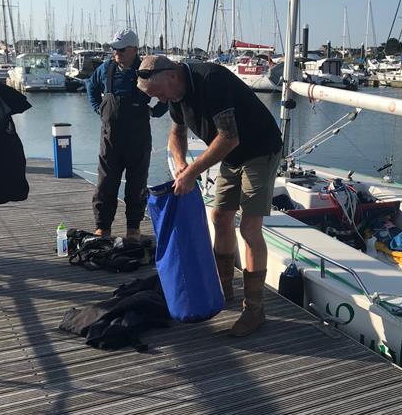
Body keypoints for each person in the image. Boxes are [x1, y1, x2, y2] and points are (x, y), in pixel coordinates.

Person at [136, 55, 282, 337]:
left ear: (172, 76)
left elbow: (229, 137)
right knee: (219, 217)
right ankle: (223, 288)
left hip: (260, 150)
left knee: (250, 229)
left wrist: (192, 172)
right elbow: (176, 135)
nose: (163, 101)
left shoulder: (211, 80)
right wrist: (181, 164)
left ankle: (254, 308)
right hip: (233, 157)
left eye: (160, 93)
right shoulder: (175, 95)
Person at [86, 29, 167, 240]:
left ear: (134, 49)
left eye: (121, 49)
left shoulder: (145, 70)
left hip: (138, 137)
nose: (116, 53)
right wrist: (99, 108)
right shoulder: (106, 69)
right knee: (106, 183)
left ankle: (133, 228)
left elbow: (167, 94)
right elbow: (91, 87)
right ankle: (103, 227)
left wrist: (156, 111)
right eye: (114, 49)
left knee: (137, 184)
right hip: (110, 136)